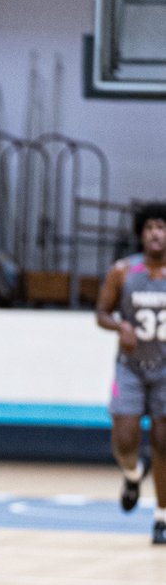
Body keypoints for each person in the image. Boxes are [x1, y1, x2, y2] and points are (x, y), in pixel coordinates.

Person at [95, 202, 166, 545]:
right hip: (131, 368)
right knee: (124, 440)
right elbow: (101, 313)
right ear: (141, 232)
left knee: (164, 443)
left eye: (163, 227)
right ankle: (133, 473)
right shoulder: (123, 271)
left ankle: (162, 516)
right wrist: (119, 325)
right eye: (151, 226)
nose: (156, 232)